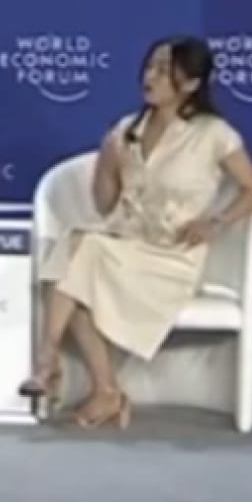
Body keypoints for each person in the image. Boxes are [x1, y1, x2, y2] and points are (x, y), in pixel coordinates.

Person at [21, 35, 252, 429]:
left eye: (163, 70)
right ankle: (100, 387)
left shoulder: (215, 135)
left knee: (75, 257)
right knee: (72, 264)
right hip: (123, 246)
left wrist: (216, 222)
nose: (150, 77)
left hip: (171, 258)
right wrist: (107, 159)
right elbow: (105, 204)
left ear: (190, 83)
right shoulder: (127, 129)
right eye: (149, 67)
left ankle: (52, 366)